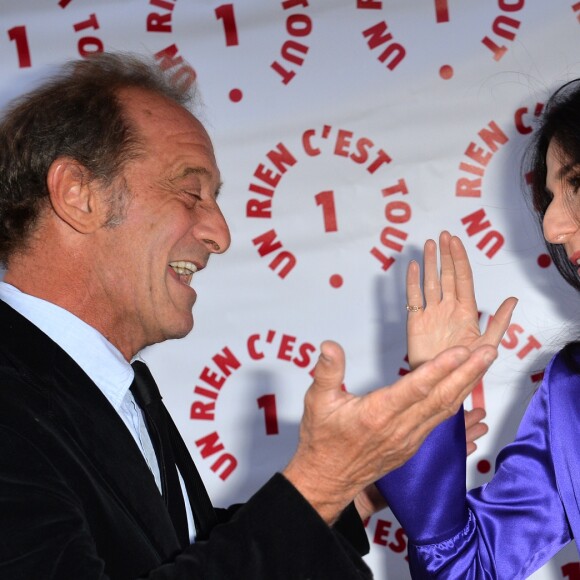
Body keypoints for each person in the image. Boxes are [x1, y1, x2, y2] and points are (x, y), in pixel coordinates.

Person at [0, 51, 506, 580]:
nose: (220, 234)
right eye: (190, 192)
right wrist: (321, 483)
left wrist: (356, 487)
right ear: (78, 196)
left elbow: (178, 555)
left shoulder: (109, 387)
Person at [375, 78, 580, 579]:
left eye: (576, 184)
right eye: (548, 198)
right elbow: (467, 570)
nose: (552, 226)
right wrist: (433, 390)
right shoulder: (574, 390)